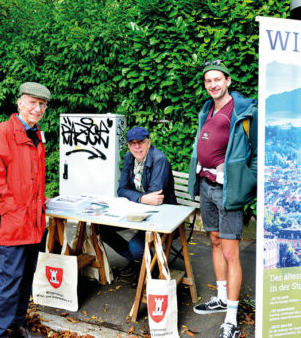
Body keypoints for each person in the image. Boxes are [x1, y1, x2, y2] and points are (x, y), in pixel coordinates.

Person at [188, 60, 257, 338]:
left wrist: (243, 183)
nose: (213, 85)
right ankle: (221, 298)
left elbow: (256, 154)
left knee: (231, 252)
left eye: (217, 79)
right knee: (214, 241)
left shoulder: (243, 111)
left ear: (228, 81)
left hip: (228, 191)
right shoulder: (207, 109)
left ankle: (231, 318)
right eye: (208, 81)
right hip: (206, 186)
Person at [0, 82, 51, 338]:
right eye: (32, 102)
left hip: (33, 224)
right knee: (10, 282)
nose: (37, 108)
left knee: (24, 281)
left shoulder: (36, 134)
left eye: (42, 104)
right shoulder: (2, 133)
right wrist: (14, 211)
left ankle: (16, 327)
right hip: (12, 225)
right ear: (19, 102)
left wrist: (41, 202)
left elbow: (30, 180)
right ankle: (0, 333)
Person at [100, 126, 177, 278]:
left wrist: (138, 197)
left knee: (135, 246)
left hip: (162, 217)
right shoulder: (129, 158)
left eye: (140, 142)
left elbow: (156, 197)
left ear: (148, 142)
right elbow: (122, 189)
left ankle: (147, 270)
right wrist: (142, 198)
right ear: (128, 145)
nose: (137, 147)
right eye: (132, 143)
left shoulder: (159, 160)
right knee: (102, 229)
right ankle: (138, 263)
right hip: (137, 212)